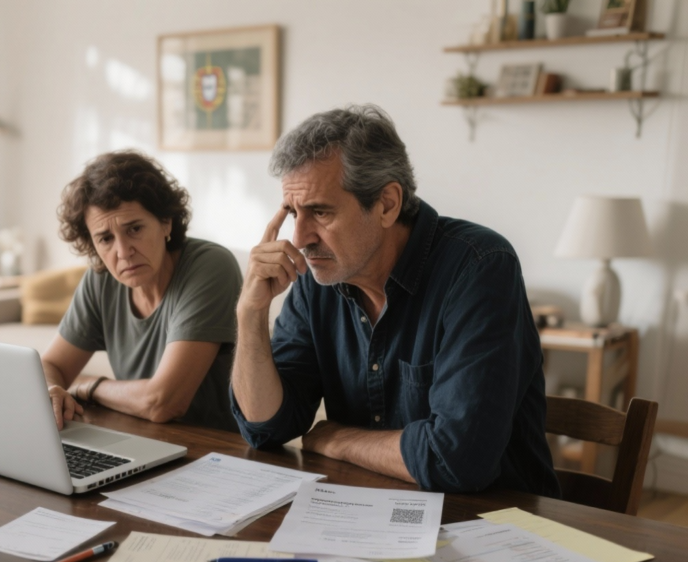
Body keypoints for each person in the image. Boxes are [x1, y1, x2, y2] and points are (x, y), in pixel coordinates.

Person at [231, 105, 560, 496]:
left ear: (387, 204)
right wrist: (250, 313)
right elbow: (266, 427)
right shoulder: (317, 278)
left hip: (492, 525)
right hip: (367, 515)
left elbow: (456, 462)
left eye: (320, 212)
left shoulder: (480, 267)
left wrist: (337, 440)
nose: (300, 237)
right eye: (293, 213)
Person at [42, 151, 243, 432]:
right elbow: (51, 364)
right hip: (142, 440)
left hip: (219, 452)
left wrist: (89, 386)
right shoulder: (101, 278)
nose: (123, 252)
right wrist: (53, 389)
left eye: (134, 229)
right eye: (106, 239)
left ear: (166, 222)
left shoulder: (210, 267)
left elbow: (164, 402)